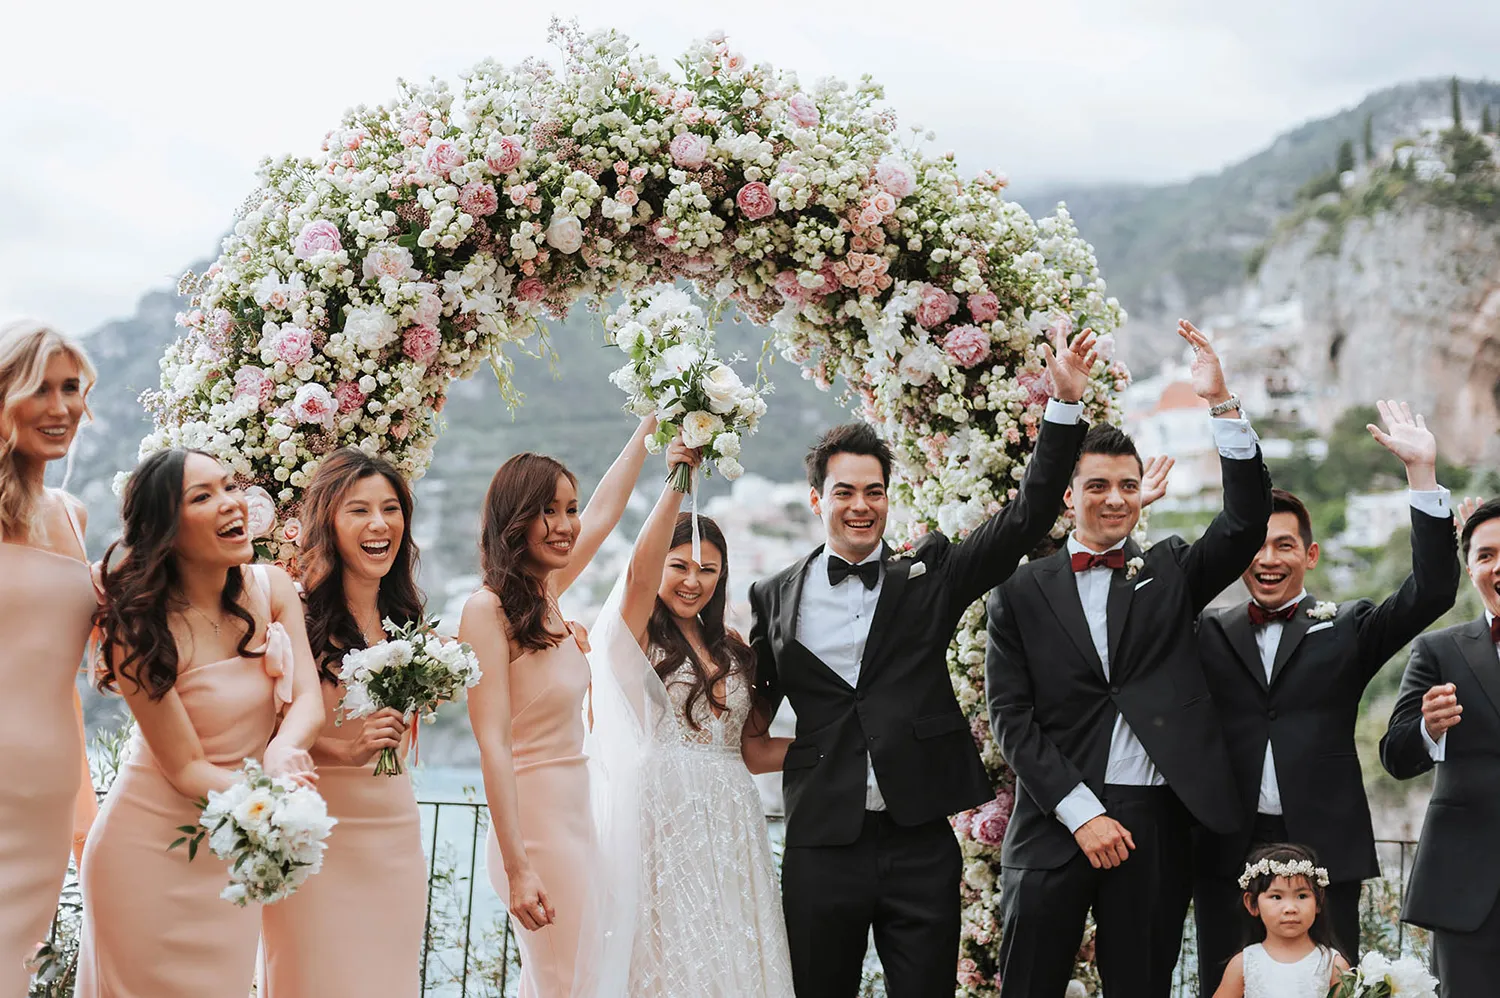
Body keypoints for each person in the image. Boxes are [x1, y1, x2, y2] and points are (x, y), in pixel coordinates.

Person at [748, 327, 1095, 998]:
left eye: (873, 492)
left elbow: (1024, 520)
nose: (861, 506)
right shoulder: (772, 597)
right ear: (818, 500)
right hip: (821, 844)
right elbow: (748, 709)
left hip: (919, 842)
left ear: (888, 497)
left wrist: (1063, 408)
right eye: (845, 492)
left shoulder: (927, 577)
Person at [985, 320, 1271, 998]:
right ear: (1068, 494)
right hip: (1056, 819)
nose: (1114, 498)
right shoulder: (1020, 592)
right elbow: (1011, 720)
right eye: (1098, 485)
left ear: (1142, 491)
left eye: (1127, 485)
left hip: (1155, 819)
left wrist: (1222, 404)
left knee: (1141, 984)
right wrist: (1081, 812)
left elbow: (1244, 523)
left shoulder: (1169, 568)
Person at [1191, 400, 1459, 994]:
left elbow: (1433, 591)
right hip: (1226, 849)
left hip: (1326, 848)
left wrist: (1421, 476)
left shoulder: (1348, 627)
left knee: (1335, 989)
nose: (1267, 558)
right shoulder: (1205, 632)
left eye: (1284, 545)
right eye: (1256, 546)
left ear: (1309, 555)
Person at [76, 449, 325, 998]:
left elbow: (308, 700)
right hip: (144, 857)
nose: (231, 502)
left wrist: (284, 751)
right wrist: (274, 804)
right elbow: (187, 768)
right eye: (202, 496)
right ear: (166, 529)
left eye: (228, 485)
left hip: (228, 859)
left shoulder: (272, 588)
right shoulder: (138, 627)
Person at [587, 438, 794, 997]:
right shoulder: (634, 638)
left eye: (707, 569)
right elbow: (635, 573)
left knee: (733, 949)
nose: (691, 580)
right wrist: (678, 477)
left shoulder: (731, 650)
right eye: (678, 565)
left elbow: (753, 753)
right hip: (665, 813)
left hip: (733, 818)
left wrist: (838, 745)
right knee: (672, 956)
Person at [462, 417, 656, 998]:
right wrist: (520, 868)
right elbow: (492, 743)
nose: (566, 524)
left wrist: (654, 423)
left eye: (568, 508)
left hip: (576, 819)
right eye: (549, 510)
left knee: (568, 982)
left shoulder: (546, 596)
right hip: (538, 831)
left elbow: (605, 514)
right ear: (514, 519)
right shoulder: (486, 609)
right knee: (566, 984)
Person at [258, 448, 426, 997]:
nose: (380, 524)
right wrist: (347, 750)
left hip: (394, 836)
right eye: (359, 510)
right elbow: (264, 734)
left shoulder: (408, 621)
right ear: (328, 522)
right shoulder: (295, 617)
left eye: (391, 508)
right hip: (315, 836)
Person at [0, 320, 99, 997]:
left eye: (72, 388)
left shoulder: (72, 515)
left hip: (47, 781)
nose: (61, 408)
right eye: (42, 389)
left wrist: (84, 810)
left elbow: (66, 680)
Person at [1380, 497, 1500, 995]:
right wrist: (1428, 728)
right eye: (1487, 554)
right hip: (1466, 888)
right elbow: (1396, 755)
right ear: (1470, 568)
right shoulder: (1439, 649)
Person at [1210, 844, 1349, 998]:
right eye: (1276, 897)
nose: (1290, 908)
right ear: (1251, 903)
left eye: (1302, 896)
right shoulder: (1244, 964)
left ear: (1318, 900)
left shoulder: (1332, 965)